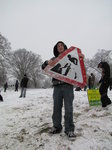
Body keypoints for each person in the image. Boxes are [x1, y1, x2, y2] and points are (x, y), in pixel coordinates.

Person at [42, 41, 84, 139]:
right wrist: (46, 62)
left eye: (61, 45)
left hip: (68, 87)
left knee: (68, 108)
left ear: (64, 47)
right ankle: (57, 127)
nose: (60, 47)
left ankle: (69, 129)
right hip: (56, 87)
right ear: (56, 49)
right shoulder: (54, 59)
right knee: (56, 108)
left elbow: (79, 64)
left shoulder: (71, 57)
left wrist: (81, 57)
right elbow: (43, 67)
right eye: (58, 46)